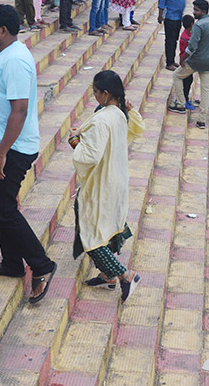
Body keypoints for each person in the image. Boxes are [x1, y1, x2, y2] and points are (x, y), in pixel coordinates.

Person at [0, 5, 56, 304]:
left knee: (4, 207)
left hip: (14, 147)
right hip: (0, 142)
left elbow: (19, 111)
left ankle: (41, 265)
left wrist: (2, 154)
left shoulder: (17, 62)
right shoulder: (6, 56)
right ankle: (11, 263)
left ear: (4, 30)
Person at [69, 70, 144, 301]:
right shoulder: (119, 113)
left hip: (102, 183)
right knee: (102, 226)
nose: (94, 96)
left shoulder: (103, 119)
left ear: (106, 93)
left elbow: (90, 156)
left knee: (91, 234)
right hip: (115, 179)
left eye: (95, 92)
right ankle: (107, 275)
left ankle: (124, 275)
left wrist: (75, 141)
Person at [168, 0, 209, 128]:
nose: (194, 12)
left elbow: (192, 47)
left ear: (203, 12)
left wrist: (182, 59)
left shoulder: (199, 26)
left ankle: (180, 104)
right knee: (205, 91)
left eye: (196, 10)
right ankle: (201, 119)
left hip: (196, 60)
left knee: (177, 76)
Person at [157, 0, 199, 69]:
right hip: (170, 16)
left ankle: (172, 60)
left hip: (178, 17)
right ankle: (169, 63)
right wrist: (160, 15)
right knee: (169, 40)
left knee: (175, 39)